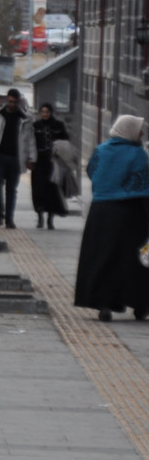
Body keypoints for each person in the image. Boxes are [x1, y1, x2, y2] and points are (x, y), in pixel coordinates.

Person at [74, 115, 149, 322]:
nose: (142, 133)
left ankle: (104, 304)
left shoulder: (101, 150)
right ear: (129, 130)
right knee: (133, 261)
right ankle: (140, 305)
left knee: (102, 258)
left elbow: (91, 172)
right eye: (139, 129)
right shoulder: (138, 154)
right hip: (131, 213)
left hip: (101, 213)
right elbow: (142, 182)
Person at [0, 88, 34, 229]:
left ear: (18, 101)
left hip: (15, 158)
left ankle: (9, 219)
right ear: (7, 99)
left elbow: (30, 140)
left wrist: (31, 158)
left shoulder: (24, 118)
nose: (12, 104)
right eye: (10, 101)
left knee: (11, 189)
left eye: (15, 102)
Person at [29, 103, 70, 230]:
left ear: (51, 112)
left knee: (52, 190)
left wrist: (58, 151)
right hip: (39, 162)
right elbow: (30, 143)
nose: (45, 114)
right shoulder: (36, 126)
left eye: (47, 111)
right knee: (38, 189)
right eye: (43, 112)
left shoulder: (58, 126)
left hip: (53, 163)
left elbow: (65, 141)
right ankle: (40, 216)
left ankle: (50, 219)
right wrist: (30, 159)